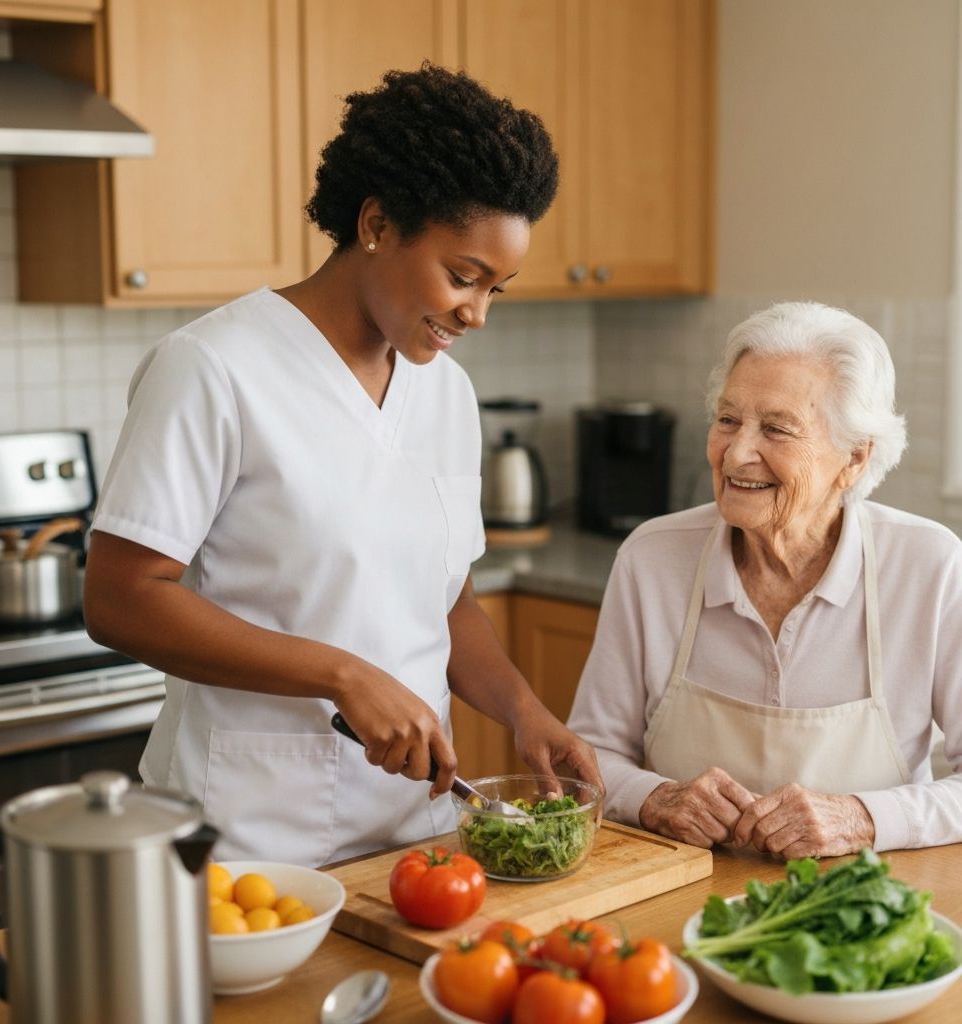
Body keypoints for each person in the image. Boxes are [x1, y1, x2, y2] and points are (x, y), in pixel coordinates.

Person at [83, 64, 603, 865]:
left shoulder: (448, 395)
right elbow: (121, 600)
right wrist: (342, 675)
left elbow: (448, 603)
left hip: (417, 835)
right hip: (250, 838)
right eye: (463, 277)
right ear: (377, 223)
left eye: (498, 289)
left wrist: (524, 709)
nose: (478, 313)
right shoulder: (213, 369)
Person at [567, 301, 962, 859]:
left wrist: (863, 817)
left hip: (863, 909)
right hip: (680, 897)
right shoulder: (652, 558)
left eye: (776, 428)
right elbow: (590, 754)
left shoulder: (930, 566)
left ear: (853, 458)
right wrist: (657, 797)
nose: (737, 452)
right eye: (728, 420)